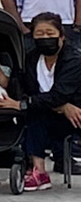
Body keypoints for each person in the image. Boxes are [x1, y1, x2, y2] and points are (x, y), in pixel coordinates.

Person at [19, 11, 81, 189]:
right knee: (35, 118)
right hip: (50, 113)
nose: (45, 38)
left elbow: (60, 94)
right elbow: (27, 90)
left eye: (50, 34)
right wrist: (61, 106)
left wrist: (60, 103)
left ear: (61, 36)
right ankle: (39, 172)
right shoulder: (31, 59)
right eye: (39, 34)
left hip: (76, 114)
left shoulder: (74, 60)